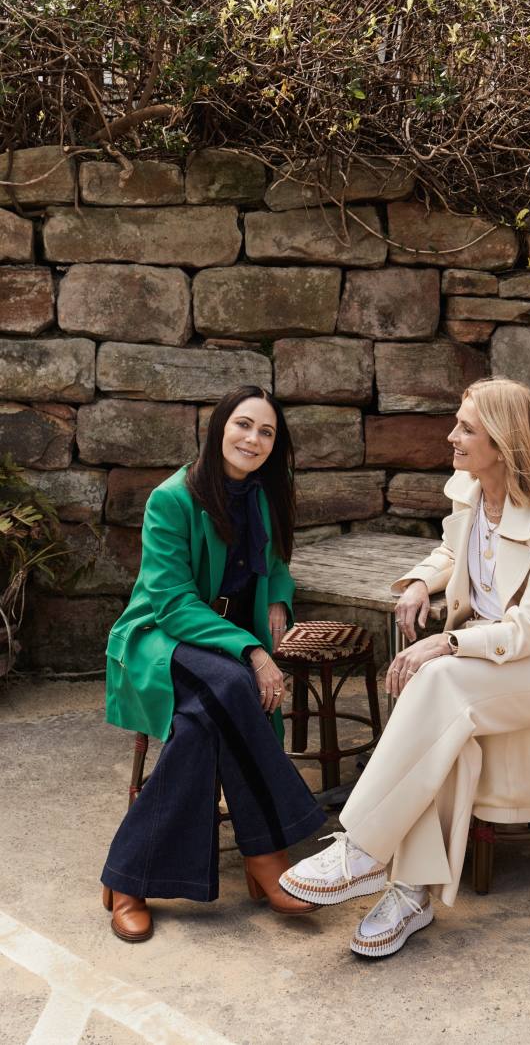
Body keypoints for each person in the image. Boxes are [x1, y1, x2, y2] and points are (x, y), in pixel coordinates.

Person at [279, 376, 530, 958]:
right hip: (490, 656)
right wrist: (424, 581)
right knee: (438, 707)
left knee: (438, 675)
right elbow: (454, 550)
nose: (452, 435)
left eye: (466, 427)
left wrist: (443, 645)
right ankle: (408, 890)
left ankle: (364, 849)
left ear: (502, 441)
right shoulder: (469, 489)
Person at [101, 386, 326, 942]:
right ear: (219, 427)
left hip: (223, 640)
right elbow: (172, 602)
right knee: (233, 683)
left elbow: (274, 560)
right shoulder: (172, 498)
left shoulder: (267, 491)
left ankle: (126, 875)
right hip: (162, 636)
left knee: (206, 722)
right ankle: (270, 851)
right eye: (243, 425)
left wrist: (277, 595)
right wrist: (251, 650)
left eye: (266, 432)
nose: (253, 439)